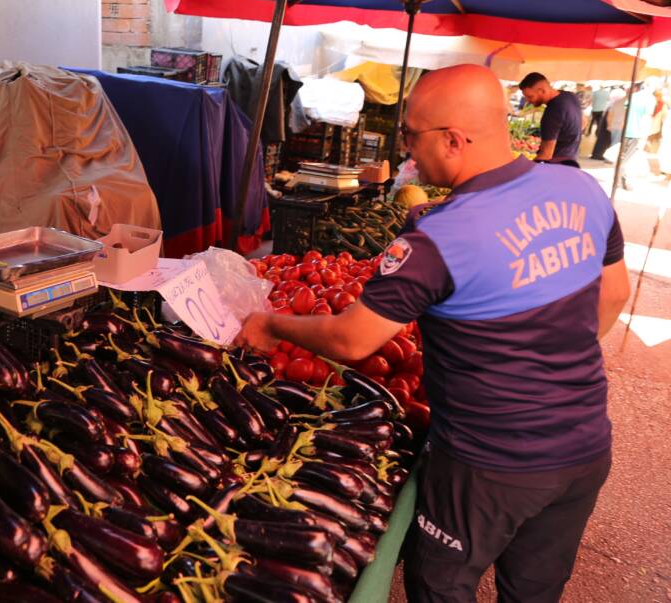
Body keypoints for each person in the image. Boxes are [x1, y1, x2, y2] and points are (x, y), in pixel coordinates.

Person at [235, 64, 630, 603]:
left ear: (452, 138)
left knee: (441, 584)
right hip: (585, 445)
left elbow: (354, 342)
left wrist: (270, 322)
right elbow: (613, 295)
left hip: (487, 463)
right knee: (535, 589)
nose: (407, 153)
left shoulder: (436, 237)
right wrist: (552, 363)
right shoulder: (581, 187)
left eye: (410, 137)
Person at [519, 72, 583, 167]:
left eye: (530, 96)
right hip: (572, 159)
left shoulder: (553, 111)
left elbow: (546, 155)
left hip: (557, 165)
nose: (528, 101)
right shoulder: (571, 96)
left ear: (542, 90)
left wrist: (527, 169)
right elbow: (583, 122)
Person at [618, 82, 656, 190]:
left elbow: (625, 113)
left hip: (626, 130)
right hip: (637, 133)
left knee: (623, 156)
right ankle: (624, 178)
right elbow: (647, 117)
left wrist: (623, 125)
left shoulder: (632, 96)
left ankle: (618, 177)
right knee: (629, 159)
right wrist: (645, 135)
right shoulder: (650, 99)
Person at [604, 85, 628, 160]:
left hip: (614, 125)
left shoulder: (616, 102)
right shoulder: (627, 104)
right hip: (621, 125)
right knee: (615, 143)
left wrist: (609, 125)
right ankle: (609, 158)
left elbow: (609, 115)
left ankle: (610, 157)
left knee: (613, 141)